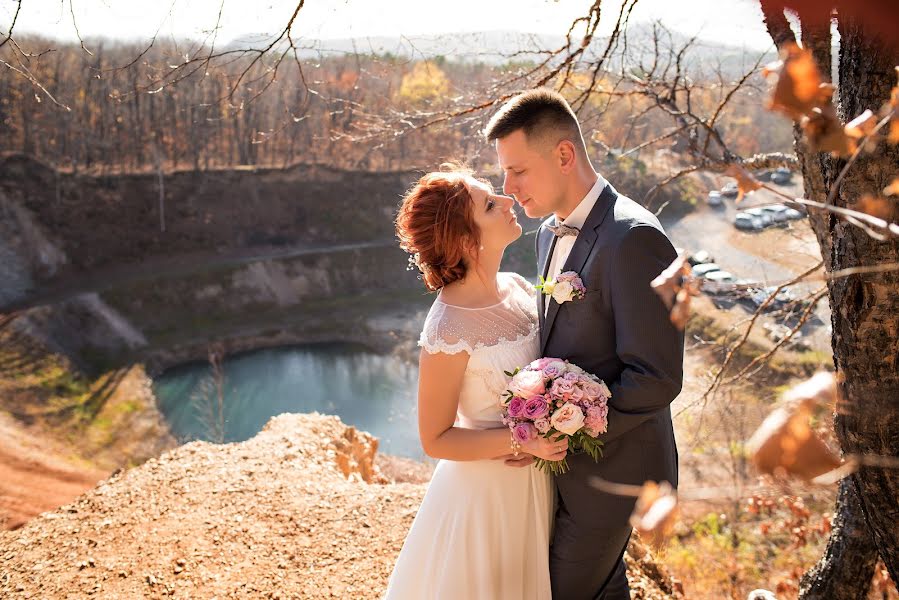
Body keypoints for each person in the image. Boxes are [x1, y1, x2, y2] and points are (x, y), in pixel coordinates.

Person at [486, 88, 684, 600]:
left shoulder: (635, 238)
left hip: (614, 470)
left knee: (558, 591)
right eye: (504, 173)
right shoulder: (547, 235)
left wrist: (568, 425)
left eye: (518, 170)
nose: (508, 188)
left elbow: (657, 376)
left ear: (564, 154)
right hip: (564, 471)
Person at [384, 167, 564, 599]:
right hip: (486, 498)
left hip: (537, 482)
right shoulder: (448, 327)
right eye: (489, 205)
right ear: (465, 241)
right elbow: (436, 438)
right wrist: (523, 442)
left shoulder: (518, 286)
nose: (506, 201)